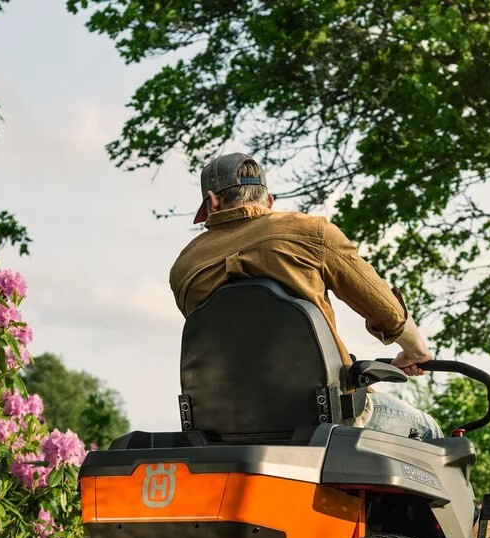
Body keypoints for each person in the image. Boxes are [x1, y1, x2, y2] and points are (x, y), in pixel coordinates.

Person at [169, 153, 443, 440]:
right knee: (430, 432)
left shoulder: (184, 267)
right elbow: (386, 309)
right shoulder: (310, 233)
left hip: (225, 427)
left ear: (212, 202)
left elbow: (235, 343)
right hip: (326, 417)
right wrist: (416, 352)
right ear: (269, 202)